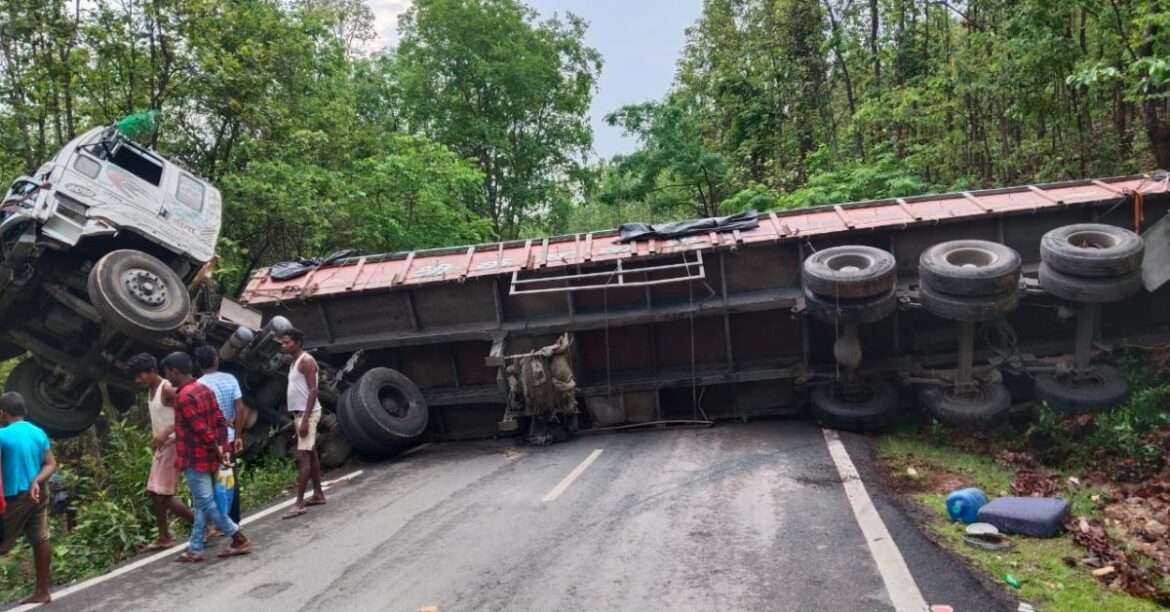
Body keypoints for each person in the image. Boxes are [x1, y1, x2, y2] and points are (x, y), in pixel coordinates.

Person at [160, 352, 252, 562]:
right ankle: (194, 548)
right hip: (210, 455)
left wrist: (217, 447)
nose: (168, 378)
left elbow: (199, 428)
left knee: (206, 502)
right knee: (202, 505)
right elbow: (220, 419)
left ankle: (239, 538)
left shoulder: (183, 397)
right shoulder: (203, 389)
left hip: (195, 457)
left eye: (167, 373)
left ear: (174, 371)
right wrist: (222, 446)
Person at [128, 353, 193, 551]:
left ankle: (203, 525)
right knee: (154, 493)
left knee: (164, 495)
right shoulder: (151, 390)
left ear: (152, 372)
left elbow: (187, 409)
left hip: (173, 444)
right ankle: (163, 536)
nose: (137, 380)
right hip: (162, 447)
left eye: (140, 376)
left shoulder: (166, 389)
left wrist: (168, 430)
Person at [0, 392, 57, 604]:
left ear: (2, 414)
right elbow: (51, 463)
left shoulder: (2, 436)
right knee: (40, 538)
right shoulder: (38, 432)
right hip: (39, 492)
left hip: (15, 496)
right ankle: (42, 591)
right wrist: (36, 481)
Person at [194, 345, 244, 524]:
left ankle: (218, 522)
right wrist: (238, 435)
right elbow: (239, 407)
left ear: (198, 364)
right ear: (217, 360)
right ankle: (234, 519)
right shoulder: (230, 379)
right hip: (229, 438)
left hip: (211, 441)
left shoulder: (198, 385)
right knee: (230, 479)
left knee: (213, 482)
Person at [279, 328, 325, 519]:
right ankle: (318, 494)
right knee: (311, 454)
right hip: (301, 414)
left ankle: (299, 503)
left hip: (309, 414)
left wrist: (305, 419)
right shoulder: (294, 362)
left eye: (287, 342)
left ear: (298, 342)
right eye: (283, 342)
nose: (283, 345)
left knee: (303, 456)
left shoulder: (306, 361)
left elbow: (313, 391)